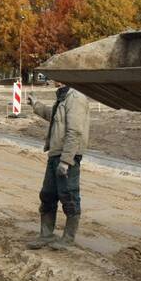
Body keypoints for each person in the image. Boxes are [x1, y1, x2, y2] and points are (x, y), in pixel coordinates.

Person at [26, 82, 90, 250]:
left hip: (67, 155)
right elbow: (54, 116)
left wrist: (66, 160)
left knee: (69, 196)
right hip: (55, 153)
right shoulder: (63, 96)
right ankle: (46, 235)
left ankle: (68, 238)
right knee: (47, 195)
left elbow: (75, 131)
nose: (55, 80)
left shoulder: (75, 97)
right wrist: (36, 105)